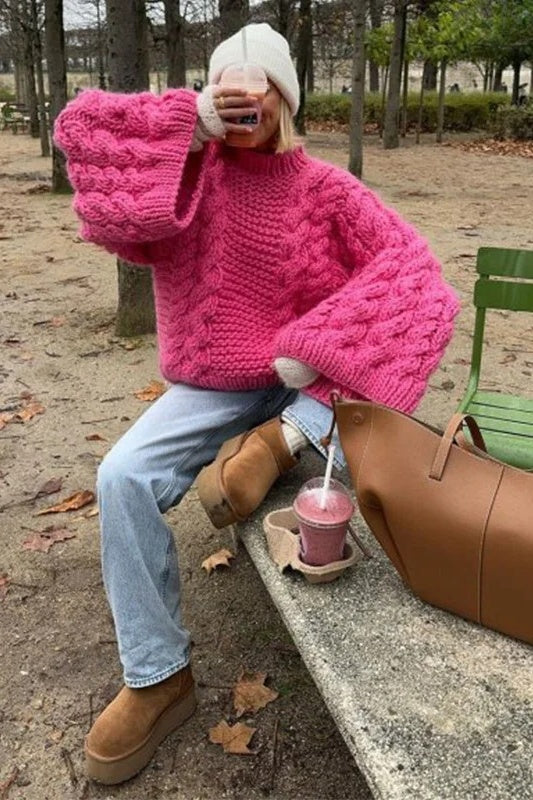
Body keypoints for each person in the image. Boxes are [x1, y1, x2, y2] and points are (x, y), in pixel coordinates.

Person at [55, 22, 460, 785]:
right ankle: (156, 675)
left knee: (350, 395)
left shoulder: (326, 189)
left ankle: (276, 444)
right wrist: (187, 123)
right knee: (121, 476)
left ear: (288, 97)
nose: (246, 100)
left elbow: (418, 277)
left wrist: (322, 342)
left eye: (262, 85)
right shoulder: (186, 173)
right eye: (228, 87)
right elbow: (86, 135)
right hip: (210, 387)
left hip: (309, 384)